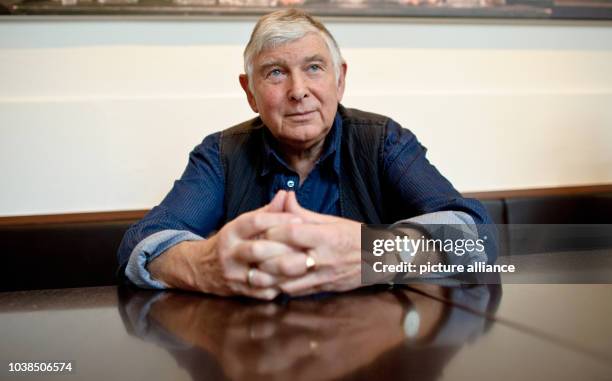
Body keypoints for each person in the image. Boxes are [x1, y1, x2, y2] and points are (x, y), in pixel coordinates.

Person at [117, 8, 495, 300]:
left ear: (340, 79)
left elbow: (477, 234)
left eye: (314, 68)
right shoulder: (220, 154)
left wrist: (377, 252)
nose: (298, 90)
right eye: (276, 73)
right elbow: (142, 242)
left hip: (373, 350)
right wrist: (204, 265)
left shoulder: (383, 142)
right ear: (250, 92)